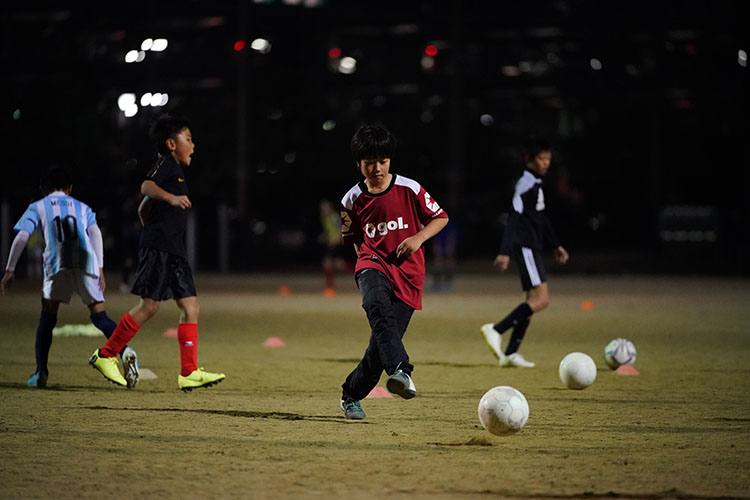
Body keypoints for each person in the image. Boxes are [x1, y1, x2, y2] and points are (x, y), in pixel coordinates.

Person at [88, 114, 225, 391]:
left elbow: (143, 209)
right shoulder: (166, 164)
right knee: (149, 307)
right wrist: (171, 200)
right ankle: (105, 355)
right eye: (188, 139)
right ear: (171, 144)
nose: (193, 145)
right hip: (161, 248)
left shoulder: (176, 170)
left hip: (173, 250)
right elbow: (146, 188)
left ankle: (188, 372)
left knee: (191, 306)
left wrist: (150, 224)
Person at [339, 125, 449, 420]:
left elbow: (441, 217)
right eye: (369, 162)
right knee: (375, 304)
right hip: (373, 265)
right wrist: (365, 267)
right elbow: (353, 241)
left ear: (390, 160)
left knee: (379, 348)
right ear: (358, 163)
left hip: (409, 276)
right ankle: (402, 371)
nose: (376, 168)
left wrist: (417, 239)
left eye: (382, 161)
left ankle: (350, 394)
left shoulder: (410, 188)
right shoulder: (350, 200)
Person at [1, 166, 139, 388]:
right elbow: (95, 233)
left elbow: (22, 237)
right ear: (70, 188)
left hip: (56, 263)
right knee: (99, 315)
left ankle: (41, 373)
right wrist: (100, 267)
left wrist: (9, 270)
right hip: (86, 261)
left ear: (43, 189)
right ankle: (125, 350)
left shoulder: (37, 206)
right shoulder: (83, 207)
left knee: (48, 317)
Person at [481, 137, 569, 368]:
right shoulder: (525, 184)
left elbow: (540, 218)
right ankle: (496, 329)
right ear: (528, 159)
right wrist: (504, 251)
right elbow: (514, 217)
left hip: (534, 246)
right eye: (541, 158)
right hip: (526, 246)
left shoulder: (536, 183)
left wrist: (555, 244)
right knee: (542, 300)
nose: (546, 163)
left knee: (531, 302)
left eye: (548, 159)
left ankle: (510, 354)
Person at [318, 198, 354, 296]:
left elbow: (342, 228)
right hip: (333, 243)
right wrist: (325, 236)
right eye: (322, 207)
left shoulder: (334, 217)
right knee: (339, 264)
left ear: (330, 207)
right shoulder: (325, 217)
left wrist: (335, 239)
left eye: (325, 207)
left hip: (337, 243)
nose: (324, 209)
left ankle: (329, 286)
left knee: (328, 263)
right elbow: (330, 231)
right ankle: (359, 275)